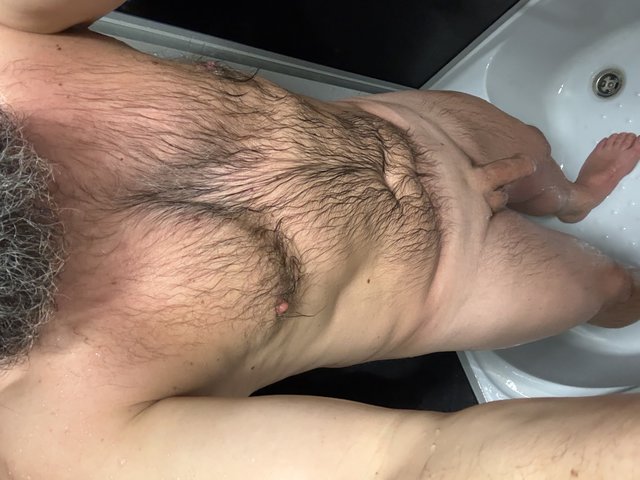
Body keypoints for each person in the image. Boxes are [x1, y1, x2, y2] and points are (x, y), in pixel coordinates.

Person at [0, 1, 638, 478]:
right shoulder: (54, 437)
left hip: (426, 126)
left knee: (534, 150)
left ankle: (572, 201)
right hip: (462, 275)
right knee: (612, 287)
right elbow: (408, 461)